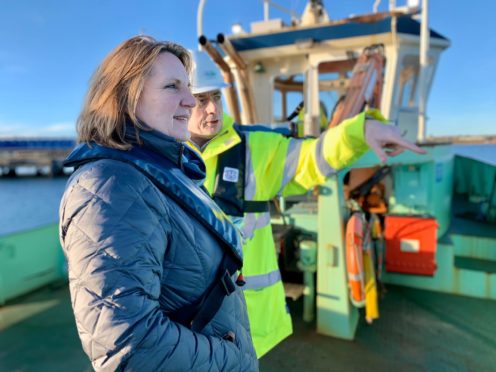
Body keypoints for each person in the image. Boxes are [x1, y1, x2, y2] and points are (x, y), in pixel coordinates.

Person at [186, 50, 426, 357]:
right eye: (200, 99)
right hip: (186, 328)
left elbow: (312, 158)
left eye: (216, 97)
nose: (212, 109)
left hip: (246, 325)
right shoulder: (159, 158)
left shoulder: (255, 148)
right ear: (178, 100)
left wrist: (360, 131)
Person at [59, 36, 257, 371]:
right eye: (172, 87)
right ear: (126, 98)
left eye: (188, 86)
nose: (191, 101)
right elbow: (126, 344)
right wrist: (233, 361)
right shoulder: (109, 187)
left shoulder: (157, 172)